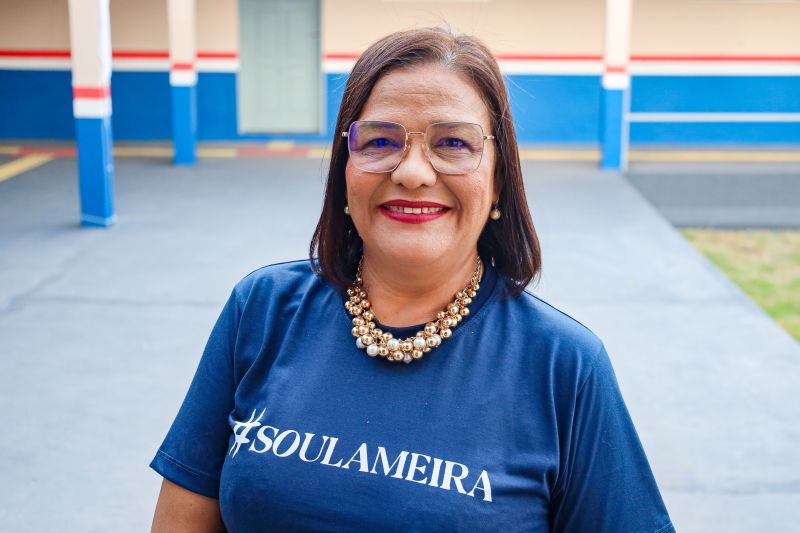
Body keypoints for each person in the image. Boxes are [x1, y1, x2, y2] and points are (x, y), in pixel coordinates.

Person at [150, 27, 675, 532]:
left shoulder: (564, 364)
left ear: (498, 180)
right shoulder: (263, 309)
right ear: (345, 169)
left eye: (454, 143)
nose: (412, 172)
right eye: (380, 140)